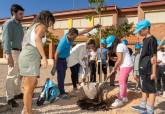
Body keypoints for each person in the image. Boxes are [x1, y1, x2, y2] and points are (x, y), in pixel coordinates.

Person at [19, 10, 55, 114]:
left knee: (31, 84)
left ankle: (26, 109)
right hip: (30, 57)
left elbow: (26, 42)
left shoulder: (32, 26)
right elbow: (37, 39)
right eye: (51, 22)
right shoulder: (41, 26)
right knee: (29, 88)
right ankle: (28, 112)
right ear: (47, 19)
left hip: (27, 56)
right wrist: (44, 57)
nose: (51, 25)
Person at [53, 25, 100, 99]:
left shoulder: (71, 36)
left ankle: (62, 91)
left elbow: (85, 31)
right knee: (61, 76)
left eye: (75, 36)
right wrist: (54, 66)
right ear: (70, 34)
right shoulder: (63, 42)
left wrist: (94, 27)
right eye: (74, 37)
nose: (75, 38)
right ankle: (61, 93)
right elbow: (56, 54)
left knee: (63, 75)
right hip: (60, 59)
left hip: (66, 58)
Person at [132, 20, 157, 114]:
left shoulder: (152, 39)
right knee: (144, 87)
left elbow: (154, 56)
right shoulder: (145, 39)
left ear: (147, 29)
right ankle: (143, 106)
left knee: (151, 90)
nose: (139, 32)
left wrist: (154, 72)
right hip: (143, 68)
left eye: (140, 30)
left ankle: (150, 110)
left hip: (148, 69)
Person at [2, 4, 24, 107]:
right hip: (13, 52)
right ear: (14, 13)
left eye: (22, 14)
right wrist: (8, 55)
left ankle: (17, 93)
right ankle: (10, 98)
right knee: (11, 75)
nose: (22, 16)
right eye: (20, 14)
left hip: (20, 52)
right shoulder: (8, 23)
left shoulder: (19, 25)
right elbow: (6, 39)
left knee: (19, 74)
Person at [111, 37, 133, 107]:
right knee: (122, 82)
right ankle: (124, 97)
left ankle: (120, 100)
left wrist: (115, 66)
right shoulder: (121, 45)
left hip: (126, 65)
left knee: (121, 82)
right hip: (127, 65)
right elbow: (121, 58)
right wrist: (117, 61)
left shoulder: (119, 46)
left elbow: (120, 60)